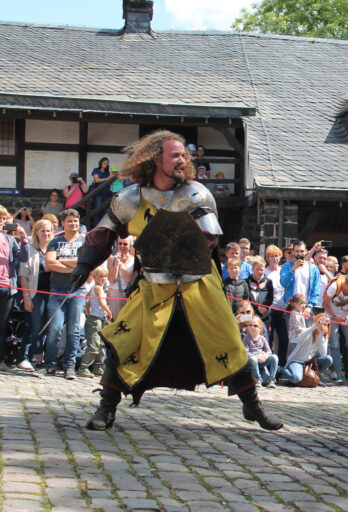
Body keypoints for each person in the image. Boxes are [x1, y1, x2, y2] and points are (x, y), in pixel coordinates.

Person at [73, 130, 281, 432]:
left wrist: (168, 241)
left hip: (199, 288)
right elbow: (104, 233)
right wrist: (84, 263)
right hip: (154, 287)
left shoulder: (195, 194)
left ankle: (253, 406)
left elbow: (208, 240)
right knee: (125, 340)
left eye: (184, 155)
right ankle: (106, 409)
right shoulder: (131, 198)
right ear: (155, 159)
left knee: (228, 342)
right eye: (175, 155)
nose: (183, 159)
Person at [42, 208, 86, 379]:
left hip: (77, 290)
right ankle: (51, 364)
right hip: (57, 290)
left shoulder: (84, 241)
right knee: (54, 328)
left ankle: (69, 365)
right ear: (63, 223)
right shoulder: (55, 241)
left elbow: (84, 262)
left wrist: (61, 261)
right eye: (69, 221)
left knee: (74, 330)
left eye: (75, 221)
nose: (73, 223)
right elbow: (50, 264)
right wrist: (74, 267)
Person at [16, 219, 54, 370]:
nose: (46, 233)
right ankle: (23, 357)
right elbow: (23, 275)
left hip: (52, 292)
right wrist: (26, 297)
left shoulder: (54, 249)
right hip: (35, 292)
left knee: (46, 326)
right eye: (42, 230)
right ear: (36, 232)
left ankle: (37, 357)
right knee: (35, 325)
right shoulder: (29, 249)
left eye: (48, 230)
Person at [0, 206, 29, 373]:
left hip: (7, 287)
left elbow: (23, 257)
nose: (1, 222)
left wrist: (23, 238)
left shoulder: (10, 240)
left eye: (4, 219)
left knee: (3, 326)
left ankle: (1, 359)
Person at [324, 273, 348, 384]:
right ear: (346, 285)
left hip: (347, 316)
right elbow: (325, 304)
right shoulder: (335, 287)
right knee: (334, 345)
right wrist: (335, 317)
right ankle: (339, 374)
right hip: (332, 316)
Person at [78, 266, 112, 377]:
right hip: (96, 320)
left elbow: (87, 304)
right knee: (94, 345)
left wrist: (89, 313)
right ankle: (83, 367)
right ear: (95, 277)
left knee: (101, 345)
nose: (103, 278)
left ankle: (98, 367)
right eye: (101, 276)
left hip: (98, 319)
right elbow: (102, 303)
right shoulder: (98, 289)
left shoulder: (93, 288)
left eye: (105, 276)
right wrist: (109, 312)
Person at [280, 313, 332, 384]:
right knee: (296, 379)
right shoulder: (309, 331)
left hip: (309, 363)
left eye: (325, 325)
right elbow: (299, 338)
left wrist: (321, 335)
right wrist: (314, 327)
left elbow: (323, 354)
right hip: (297, 361)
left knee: (328, 359)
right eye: (321, 323)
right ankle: (280, 369)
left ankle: (314, 376)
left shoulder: (323, 337)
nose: (322, 326)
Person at [280, 241, 321, 322]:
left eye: (302, 251)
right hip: (292, 307)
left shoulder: (313, 269)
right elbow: (283, 283)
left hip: (307, 308)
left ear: (306, 251)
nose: (299, 253)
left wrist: (309, 306)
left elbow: (315, 290)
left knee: (308, 334)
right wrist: (293, 269)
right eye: (297, 251)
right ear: (293, 252)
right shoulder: (287, 266)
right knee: (292, 334)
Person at [264, 244, 289, 365]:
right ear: (268, 258)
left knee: (284, 339)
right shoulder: (264, 272)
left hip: (282, 309)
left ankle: (281, 365)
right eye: (272, 256)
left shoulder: (283, 271)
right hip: (269, 310)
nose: (275, 258)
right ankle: (269, 366)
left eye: (277, 256)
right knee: (269, 339)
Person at [242, 317, 278, 388]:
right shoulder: (246, 338)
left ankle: (272, 379)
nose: (252, 327)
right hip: (252, 361)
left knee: (274, 357)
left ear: (260, 328)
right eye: (250, 325)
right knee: (253, 359)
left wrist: (265, 356)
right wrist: (257, 356)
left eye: (255, 326)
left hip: (261, 361)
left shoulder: (262, 338)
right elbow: (246, 352)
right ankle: (257, 378)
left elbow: (269, 351)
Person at [106, 235, 135, 320]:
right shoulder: (111, 259)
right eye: (120, 244)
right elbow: (111, 279)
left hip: (128, 293)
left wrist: (121, 265)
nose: (122, 246)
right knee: (115, 320)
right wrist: (116, 264)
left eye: (125, 244)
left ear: (130, 246)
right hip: (115, 292)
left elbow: (128, 279)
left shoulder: (134, 260)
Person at [247, 255, 273, 333]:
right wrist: (257, 307)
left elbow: (270, 297)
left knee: (266, 337)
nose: (259, 272)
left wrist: (265, 307)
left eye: (261, 269)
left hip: (265, 314)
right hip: (252, 314)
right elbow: (248, 297)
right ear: (252, 269)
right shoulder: (246, 282)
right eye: (257, 269)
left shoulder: (268, 281)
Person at [91, 157, 113, 223]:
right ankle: (95, 226)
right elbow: (96, 180)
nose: (106, 164)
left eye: (107, 163)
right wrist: (107, 178)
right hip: (98, 193)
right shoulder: (96, 170)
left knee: (104, 211)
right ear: (101, 163)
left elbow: (110, 181)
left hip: (106, 192)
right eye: (104, 163)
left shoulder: (107, 172)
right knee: (97, 210)